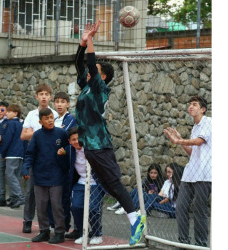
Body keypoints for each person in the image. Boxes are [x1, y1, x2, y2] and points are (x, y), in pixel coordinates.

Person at [73, 19, 146, 246]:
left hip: (99, 144)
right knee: (109, 186)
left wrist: (92, 40)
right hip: (91, 147)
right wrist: (82, 43)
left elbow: (92, 63)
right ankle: (134, 218)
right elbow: (79, 64)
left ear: (102, 76)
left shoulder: (98, 88)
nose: (89, 71)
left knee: (114, 184)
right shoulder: (86, 86)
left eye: (94, 71)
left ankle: (136, 220)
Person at [163, 96, 212, 247]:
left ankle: (201, 245)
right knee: (181, 208)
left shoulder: (209, 122)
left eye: (194, 104)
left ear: (202, 109)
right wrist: (180, 141)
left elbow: (199, 141)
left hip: (204, 174)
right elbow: (193, 152)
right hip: (190, 173)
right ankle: (183, 243)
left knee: (200, 211)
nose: (191, 107)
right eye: (190, 104)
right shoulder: (195, 127)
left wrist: (179, 140)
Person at [21, 108, 69, 244]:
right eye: (46, 118)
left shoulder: (62, 133)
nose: (50, 120)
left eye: (51, 117)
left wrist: (64, 154)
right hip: (39, 176)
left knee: (56, 205)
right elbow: (30, 154)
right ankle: (44, 231)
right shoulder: (37, 135)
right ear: (40, 121)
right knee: (41, 206)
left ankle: (60, 232)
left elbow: (69, 151)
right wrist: (25, 169)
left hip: (57, 176)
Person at [20, 83, 59, 233]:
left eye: (46, 94)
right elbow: (23, 135)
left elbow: (56, 132)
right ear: (36, 97)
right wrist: (41, 132)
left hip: (51, 158)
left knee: (51, 192)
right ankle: (28, 220)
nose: (43, 97)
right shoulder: (31, 114)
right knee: (31, 191)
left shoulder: (55, 114)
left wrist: (35, 131)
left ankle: (49, 223)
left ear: (50, 97)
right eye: (41, 94)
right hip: (35, 157)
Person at [57, 127, 105, 245]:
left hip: (96, 182)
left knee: (93, 208)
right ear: (69, 141)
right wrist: (61, 155)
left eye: (78, 138)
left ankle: (97, 234)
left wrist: (92, 158)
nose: (76, 141)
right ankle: (83, 233)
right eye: (73, 139)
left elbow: (103, 162)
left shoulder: (91, 148)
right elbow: (65, 167)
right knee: (76, 207)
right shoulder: (69, 150)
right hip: (81, 181)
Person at [51, 91, 77, 235]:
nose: (59, 104)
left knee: (67, 197)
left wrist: (66, 150)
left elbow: (72, 139)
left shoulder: (71, 119)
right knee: (57, 198)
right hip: (55, 165)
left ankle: (68, 227)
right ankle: (56, 224)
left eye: (62, 102)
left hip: (68, 165)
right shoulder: (53, 119)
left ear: (68, 104)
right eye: (57, 102)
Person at [0, 104, 25, 208]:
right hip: (19, 154)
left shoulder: (11, 123)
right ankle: (14, 199)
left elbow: (7, 140)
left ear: (15, 113)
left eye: (8, 112)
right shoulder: (20, 124)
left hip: (11, 154)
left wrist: (3, 153)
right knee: (16, 177)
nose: (6, 114)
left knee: (10, 176)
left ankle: (20, 196)